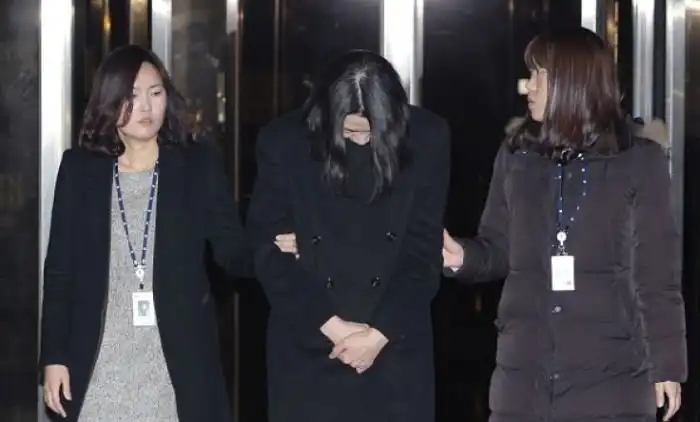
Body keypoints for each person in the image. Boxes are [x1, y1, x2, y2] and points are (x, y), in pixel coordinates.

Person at [442, 28, 687, 422]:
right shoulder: (516, 156)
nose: (529, 86)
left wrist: (667, 364)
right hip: (522, 379)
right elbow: (498, 248)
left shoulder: (639, 162)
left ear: (572, 81)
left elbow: (657, 275)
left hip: (611, 380)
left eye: (539, 74)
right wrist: (462, 257)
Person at [40, 45, 249, 422]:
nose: (146, 107)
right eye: (131, 96)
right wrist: (54, 356)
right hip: (98, 365)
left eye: (156, 93)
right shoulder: (80, 171)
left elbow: (231, 247)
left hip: (175, 366)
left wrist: (272, 249)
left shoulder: (196, 166)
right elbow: (59, 273)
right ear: (109, 101)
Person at [247, 50, 450, 422]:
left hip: (394, 343)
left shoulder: (427, 137)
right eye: (350, 130)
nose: (360, 140)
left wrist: (378, 335)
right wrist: (333, 328)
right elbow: (266, 251)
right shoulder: (284, 141)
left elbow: (423, 250)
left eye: (370, 132)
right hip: (309, 342)